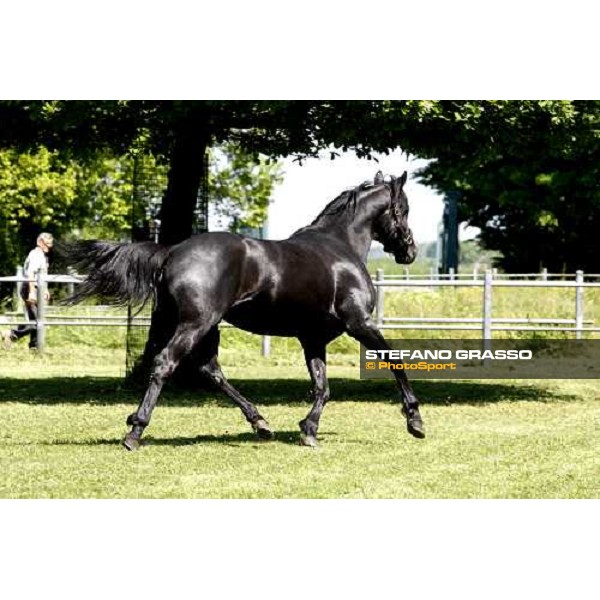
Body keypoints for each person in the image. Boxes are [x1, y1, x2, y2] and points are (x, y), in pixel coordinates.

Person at [2, 232, 54, 349]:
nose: (49, 247)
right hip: (30, 288)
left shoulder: (42, 255)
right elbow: (30, 273)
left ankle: (34, 346)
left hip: (37, 288)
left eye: (50, 244)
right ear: (39, 242)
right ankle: (11, 334)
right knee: (37, 321)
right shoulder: (35, 254)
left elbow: (41, 275)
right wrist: (31, 291)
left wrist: (45, 290)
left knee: (36, 320)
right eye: (47, 244)